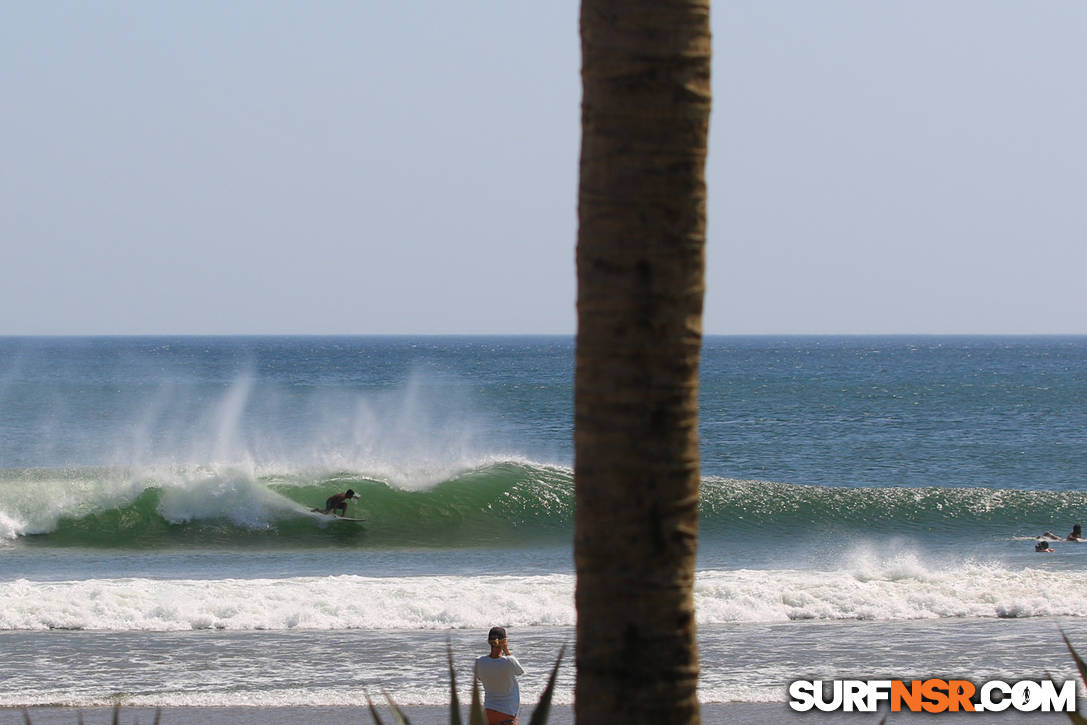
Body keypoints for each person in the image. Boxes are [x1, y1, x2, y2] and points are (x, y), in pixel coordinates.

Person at [474, 626, 525, 725]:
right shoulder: (510, 661)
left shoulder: (479, 661)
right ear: (504, 641)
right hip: (507, 713)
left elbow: (480, 677)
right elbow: (519, 672)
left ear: (489, 642)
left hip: (488, 712)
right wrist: (506, 650)